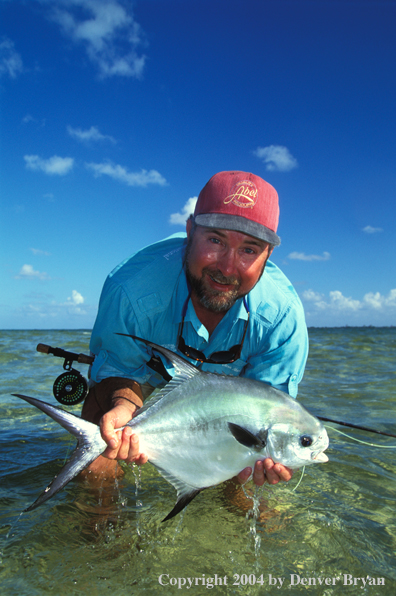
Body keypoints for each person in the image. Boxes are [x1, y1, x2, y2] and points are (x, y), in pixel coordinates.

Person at [82, 170, 309, 487]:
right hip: (144, 376)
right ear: (190, 231)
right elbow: (116, 368)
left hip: (233, 404)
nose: (227, 267)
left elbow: (270, 414)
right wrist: (124, 408)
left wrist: (258, 461)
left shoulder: (282, 318)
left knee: (245, 484)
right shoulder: (132, 291)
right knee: (97, 461)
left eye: (249, 249)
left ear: (268, 255)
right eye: (216, 240)